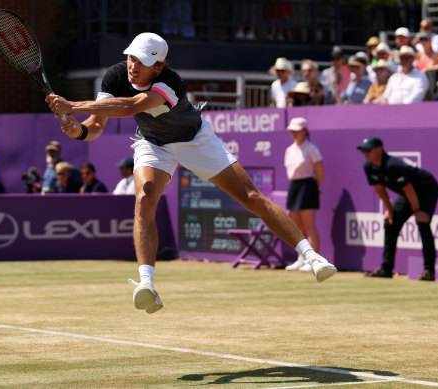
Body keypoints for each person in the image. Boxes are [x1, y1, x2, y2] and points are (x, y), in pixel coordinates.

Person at [46, 32, 336, 314]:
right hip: (153, 144)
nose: (133, 66)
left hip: (195, 141)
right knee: (144, 199)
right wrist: (79, 130)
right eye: (131, 58)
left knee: (251, 197)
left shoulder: (170, 82)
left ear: (158, 66)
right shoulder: (115, 76)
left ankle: (312, 257)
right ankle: (147, 285)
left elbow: (131, 105)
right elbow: (96, 126)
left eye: (142, 61)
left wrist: (73, 105)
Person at [357, 136, 438, 281]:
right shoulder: (368, 166)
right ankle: (386, 269)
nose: (365, 153)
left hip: (426, 188)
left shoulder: (392, 165)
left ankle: (429, 271)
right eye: (363, 151)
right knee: (390, 223)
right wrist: (390, 209)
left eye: (368, 150)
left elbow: (409, 189)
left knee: (422, 223)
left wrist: (417, 212)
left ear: (380, 150)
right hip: (408, 193)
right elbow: (379, 188)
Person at [283, 118, 325, 272]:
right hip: (294, 186)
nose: (294, 133)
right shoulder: (289, 149)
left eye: (297, 130)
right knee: (297, 227)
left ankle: (313, 260)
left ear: (305, 131)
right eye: (292, 131)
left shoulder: (311, 148)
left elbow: (320, 171)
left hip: (308, 186)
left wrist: (315, 187)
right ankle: (301, 258)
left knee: (309, 226)